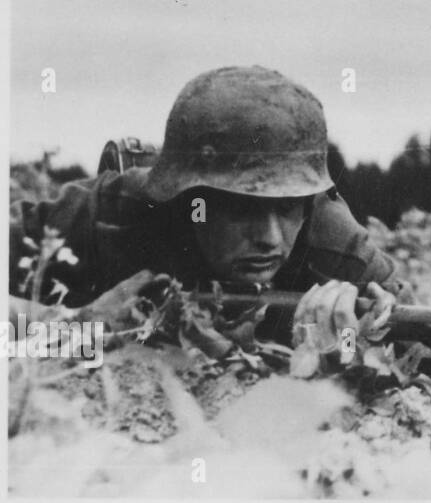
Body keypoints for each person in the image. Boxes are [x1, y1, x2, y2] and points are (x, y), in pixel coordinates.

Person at [9, 66, 397, 363]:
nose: (271, 238)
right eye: (243, 208)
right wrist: (80, 327)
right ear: (187, 198)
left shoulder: (337, 250)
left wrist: (353, 348)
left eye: (287, 207)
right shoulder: (115, 215)